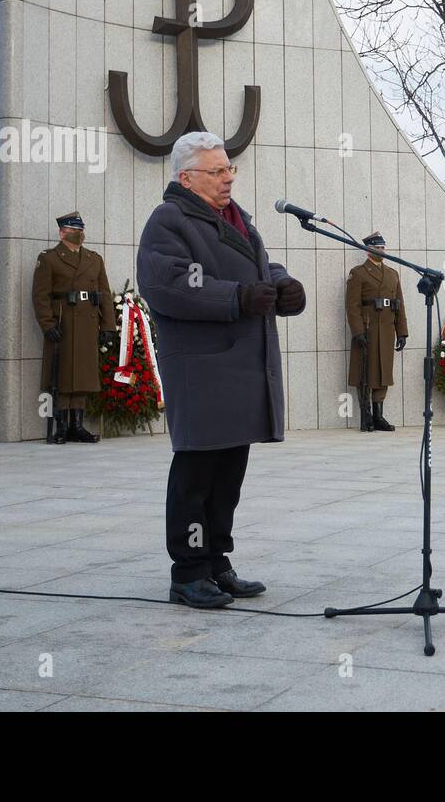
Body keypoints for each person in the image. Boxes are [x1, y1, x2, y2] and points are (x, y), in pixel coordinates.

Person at [137, 131, 306, 609]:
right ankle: (188, 572)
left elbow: (258, 267)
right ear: (187, 177)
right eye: (217, 171)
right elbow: (168, 283)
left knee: (229, 473)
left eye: (229, 168)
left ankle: (217, 562)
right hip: (202, 368)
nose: (228, 177)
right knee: (196, 474)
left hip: (239, 365)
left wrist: (283, 284)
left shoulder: (236, 218)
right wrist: (234, 297)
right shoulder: (168, 221)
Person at [32, 212, 117, 444]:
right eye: (73, 231)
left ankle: (77, 426)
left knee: (83, 375)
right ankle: (61, 426)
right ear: (62, 233)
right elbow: (40, 296)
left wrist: (108, 324)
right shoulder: (49, 259)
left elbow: (105, 294)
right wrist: (48, 325)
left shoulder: (94, 259)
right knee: (63, 375)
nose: (78, 235)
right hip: (64, 322)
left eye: (80, 231)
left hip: (88, 323)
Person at [345, 231, 408, 431]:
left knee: (383, 372)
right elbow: (352, 306)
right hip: (368, 328)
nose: (381, 251)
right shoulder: (358, 273)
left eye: (383, 247)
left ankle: (379, 415)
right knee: (365, 372)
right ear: (367, 250)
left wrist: (402, 332)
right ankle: (366, 417)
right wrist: (357, 332)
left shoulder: (392, 273)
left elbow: (400, 304)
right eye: (377, 248)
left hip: (387, 329)